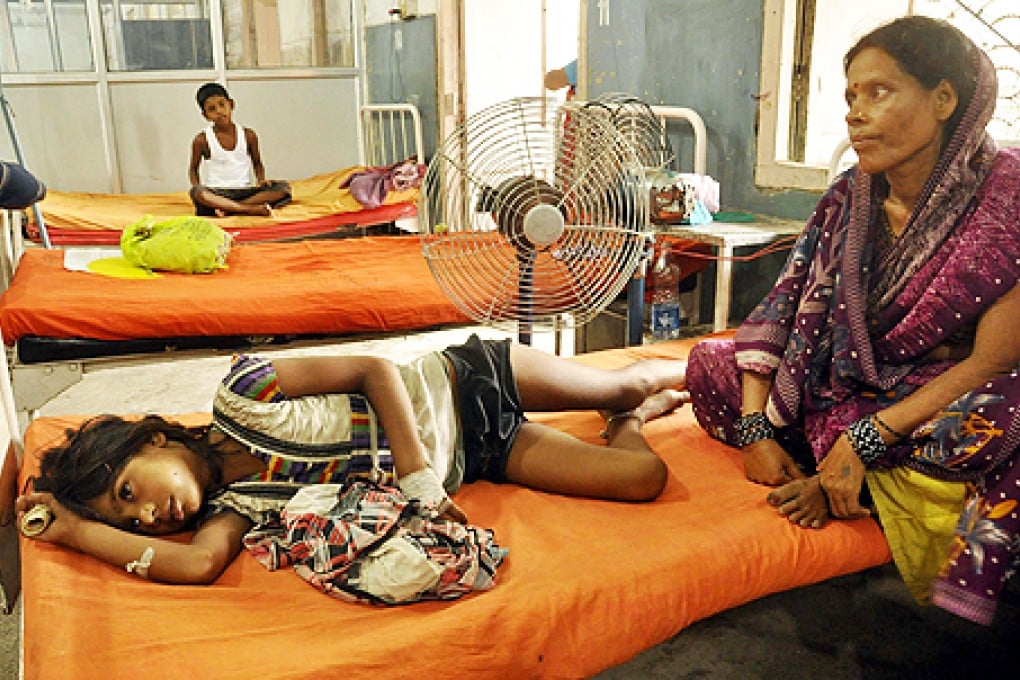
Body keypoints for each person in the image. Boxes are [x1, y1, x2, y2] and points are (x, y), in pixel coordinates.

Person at [685, 15, 1020, 626]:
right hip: (841, 385)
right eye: (850, 96)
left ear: (944, 99)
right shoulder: (849, 197)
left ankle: (846, 460)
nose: (854, 114)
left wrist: (867, 435)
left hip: (937, 396)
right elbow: (784, 311)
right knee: (711, 365)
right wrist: (757, 428)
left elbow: (991, 360)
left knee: (1005, 416)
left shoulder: (1007, 199)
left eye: (879, 92)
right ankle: (841, 463)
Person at [16, 334, 687, 586]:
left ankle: (641, 393)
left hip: (467, 382)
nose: (150, 516)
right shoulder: (239, 510)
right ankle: (629, 424)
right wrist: (76, 531)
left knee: (627, 380)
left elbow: (373, 369)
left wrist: (418, 477)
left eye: (130, 492)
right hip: (483, 456)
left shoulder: (244, 394)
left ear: (152, 440)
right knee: (642, 478)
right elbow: (194, 564)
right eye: (132, 523)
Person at [187, 82, 292, 217]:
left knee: (283, 188)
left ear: (231, 104)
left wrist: (261, 180)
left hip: (245, 191)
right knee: (197, 193)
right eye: (212, 109)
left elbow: (258, 163)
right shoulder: (201, 140)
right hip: (217, 193)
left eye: (222, 105)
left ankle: (230, 209)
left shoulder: (249, 135)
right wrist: (196, 187)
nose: (219, 111)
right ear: (206, 115)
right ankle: (249, 209)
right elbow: (193, 169)